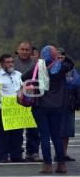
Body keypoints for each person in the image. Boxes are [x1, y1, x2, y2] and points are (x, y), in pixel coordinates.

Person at [22, 45, 74, 174]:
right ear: (55, 55)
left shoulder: (38, 66)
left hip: (41, 106)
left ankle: (47, 165)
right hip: (57, 106)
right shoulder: (61, 67)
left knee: (44, 136)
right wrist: (63, 57)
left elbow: (24, 77)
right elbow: (71, 64)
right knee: (56, 136)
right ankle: (61, 165)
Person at [0, 54, 24, 163]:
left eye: (11, 62)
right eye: (7, 62)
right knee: (2, 135)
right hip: (4, 109)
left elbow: (21, 89)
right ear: (1, 64)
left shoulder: (19, 75)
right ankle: (3, 156)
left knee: (18, 134)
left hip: (18, 109)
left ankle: (16, 155)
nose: (10, 64)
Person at [14, 41, 41, 162]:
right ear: (18, 50)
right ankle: (17, 152)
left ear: (31, 51)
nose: (24, 52)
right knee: (16, 129)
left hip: (33, 99)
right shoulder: (12, 62)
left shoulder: (37, 63)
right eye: (22, 49)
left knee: (33, 128)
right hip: (16, 99)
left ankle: (33, 152)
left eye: (27, 50)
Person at [57, 48, 78, 161]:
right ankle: (58, 153)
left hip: (69, 103)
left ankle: (64, 153)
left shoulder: (71, 70)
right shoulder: (52, 69)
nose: (60, 59)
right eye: (58, 57)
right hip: (56, 104)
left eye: (62, 57)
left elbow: (77, 84)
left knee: (67, 131)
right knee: (58, 130)